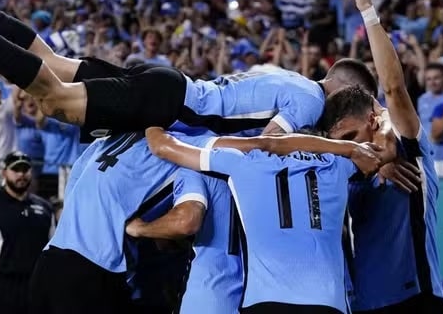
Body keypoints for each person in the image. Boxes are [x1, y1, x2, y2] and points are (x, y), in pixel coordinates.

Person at [0, 0, 377, 142]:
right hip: (169, 103)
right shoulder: (312, 103)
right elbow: (269, 146)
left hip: (172, 83)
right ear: (346, 87)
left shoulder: (289, 76)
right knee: (53, 98)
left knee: (50, 61)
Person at [27, 128, 382, 313]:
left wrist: (140, 228)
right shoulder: (325, 168)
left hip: (210, 294)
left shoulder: (217, 163)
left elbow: (186, 220)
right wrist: (351, 149)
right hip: (318, 295)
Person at [143, 124, 388, 314]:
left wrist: (148, 114)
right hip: (328, 301)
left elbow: (162, 146)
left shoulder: (245, 162)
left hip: (264, 300)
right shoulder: (340, 164)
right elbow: (386, 149)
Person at [319, 0, 443, 313]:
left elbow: (393, 88)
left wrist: (367, 12)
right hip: (359, 305)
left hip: (414, 299)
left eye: (350, 135)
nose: (347, 147)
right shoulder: (341, 169)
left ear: (373, 118)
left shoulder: (408, 150)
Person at [125, 169, 243, 314]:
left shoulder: (194, 171)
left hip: (208, 296)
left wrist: (141, 228)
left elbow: (185, 223)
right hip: (258, 296)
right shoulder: (262, 171)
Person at [0, 151, 55, 314]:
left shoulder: (45, 208)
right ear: (4, 172)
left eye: (25, 170)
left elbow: (53, 252)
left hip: (37, 289)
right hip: (1, 289)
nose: (21, 175)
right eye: (16, 170)